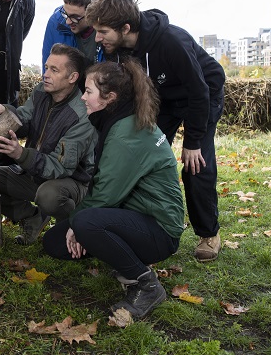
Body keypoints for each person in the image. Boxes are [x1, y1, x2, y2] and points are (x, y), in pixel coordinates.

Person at [86, 0, 226, 262]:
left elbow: (199, 91)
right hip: (163, 100)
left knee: (196, 165)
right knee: (139, 155)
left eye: (103, 31)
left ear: (125, 28)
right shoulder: (116, 50)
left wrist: (193, 141)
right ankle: (136, 222)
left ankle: (209, 233)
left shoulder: (172, 41)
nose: (97, 38)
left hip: (203, 95)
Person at [42, 60, 184, 318]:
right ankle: (121, 255)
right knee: (55, 242)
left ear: (110, 98)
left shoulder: (124, 133)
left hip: (160, 229)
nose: (82, 97)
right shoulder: (119, 120)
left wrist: (78, 225)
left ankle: (145, 284)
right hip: (137, 214)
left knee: (85, 222)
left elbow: (106, 193)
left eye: (88, 91)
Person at [0, 44, 95, 245]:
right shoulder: (41, 92)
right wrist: (3, 110)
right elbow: (24, 120)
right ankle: (31, 217)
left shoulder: (81, 116)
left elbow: (60, 167)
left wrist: (21, 154)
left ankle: (73, 227)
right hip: (35, 172)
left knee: (49, 196)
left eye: (54, 70)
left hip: (71, 182)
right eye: (46, 67)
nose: (45, 74)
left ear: (72, 78)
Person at [41, 0, 102, 74]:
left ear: (92, 13)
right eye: (65, 14)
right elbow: (47, 69)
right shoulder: (55, 22)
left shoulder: (105, 28)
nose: (67, 22)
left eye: (75, 17)